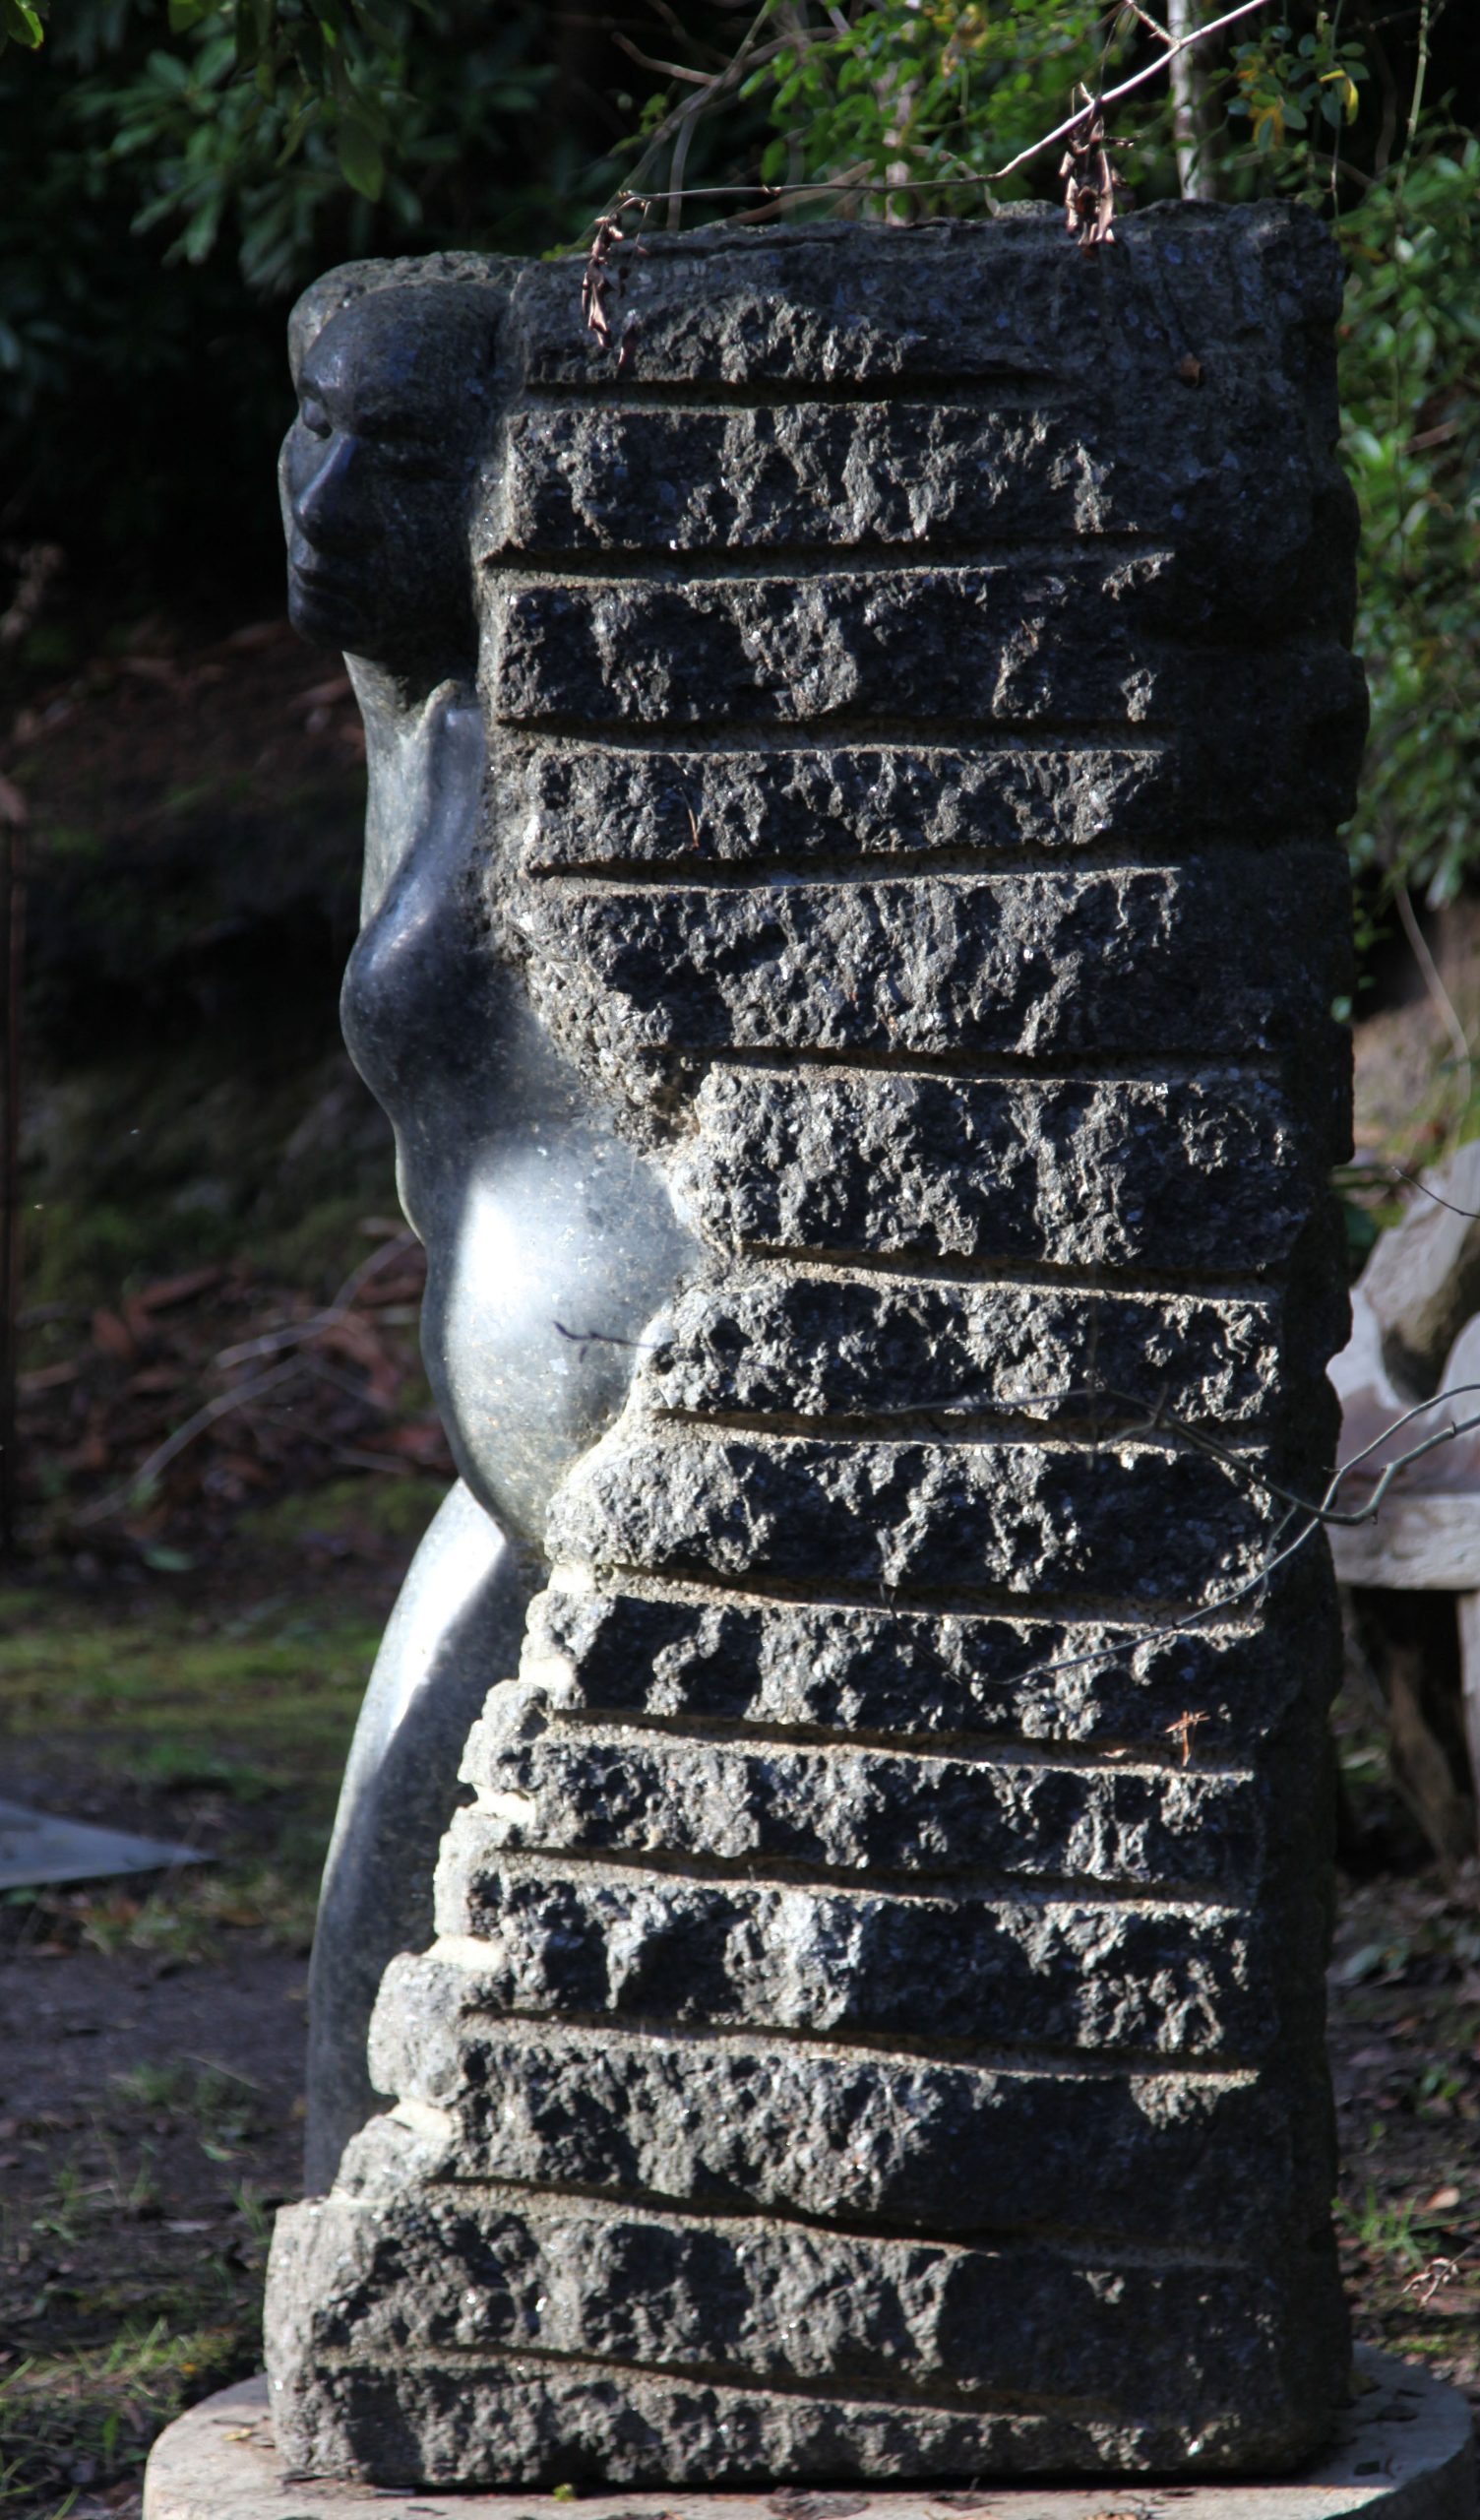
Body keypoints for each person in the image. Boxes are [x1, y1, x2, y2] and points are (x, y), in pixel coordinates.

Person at [281, 267, 698, 2190]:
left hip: (660, 1481)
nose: (324, 493)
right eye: (310, 423)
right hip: (517, 1482)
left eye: (400, 449)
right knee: (363, 1976)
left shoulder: (620, 693)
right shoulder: (423, 703)